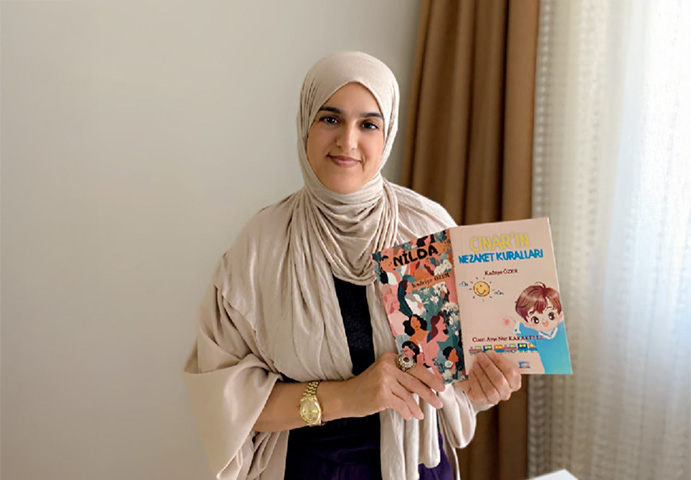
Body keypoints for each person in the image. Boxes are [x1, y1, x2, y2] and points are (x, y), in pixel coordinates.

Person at [183, 51, 522, 480]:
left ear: (388, 134)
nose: (347, 141)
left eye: (368, 124)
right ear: (305, 124)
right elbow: (225, 402)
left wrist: (478, 387)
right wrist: (347, 396)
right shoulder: (261, 247)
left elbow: (457, 378)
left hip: (419, 467)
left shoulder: (427, 228)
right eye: (330, 119)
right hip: (310, 470)